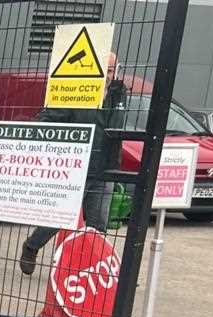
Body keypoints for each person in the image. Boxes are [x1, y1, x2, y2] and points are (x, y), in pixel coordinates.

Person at [19, 52, 128, 275]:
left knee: (98, 224)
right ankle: (32, 246)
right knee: (60, 216)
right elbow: (50, 118)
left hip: (105, 166)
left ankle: (85, 267)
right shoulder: (77, 92)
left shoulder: (118, 93)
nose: (107, 75)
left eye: (111, 70)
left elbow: (117, 126)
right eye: (104, 70)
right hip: (75, 166)